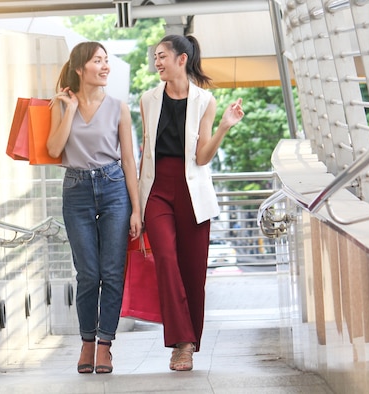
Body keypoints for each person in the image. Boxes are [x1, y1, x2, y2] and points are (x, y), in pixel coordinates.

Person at [138, 34, 244, 372]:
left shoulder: (205, 101)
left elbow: (202, 157)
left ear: (181, 59)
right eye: (155, 57)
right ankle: (181, 344)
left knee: (193, 270)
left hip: (191, 190)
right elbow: (145, 154)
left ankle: (190, 344)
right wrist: (135, 207)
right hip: (157, 189)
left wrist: (224, 127)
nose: (157, 62)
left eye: (162, 56)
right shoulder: (147, 99)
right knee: (166, 257)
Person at [46, 41, 142, 374]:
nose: (105, 67)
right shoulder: (60, 105)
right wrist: (70, 110)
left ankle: (105, 345)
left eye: (106, 61)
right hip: (76, 189)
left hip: (115, 188)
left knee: (112, 273)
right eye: (97, 61)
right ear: (79, 67)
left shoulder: (118, 107)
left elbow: (129, 160)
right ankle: (87, 342)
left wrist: (136, 209)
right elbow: (54, 149)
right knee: (88, 273)